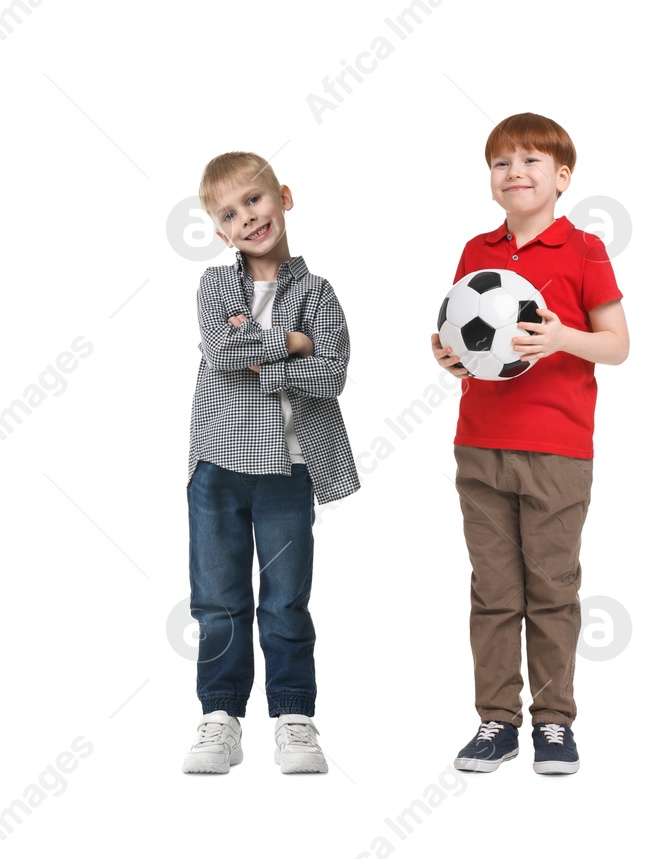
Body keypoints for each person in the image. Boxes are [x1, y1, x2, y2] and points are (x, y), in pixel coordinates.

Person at [431, 113, 629, 775]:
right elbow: (462, 337)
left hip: (557, 450)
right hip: (479, 443)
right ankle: (496, 719)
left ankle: (553, 723)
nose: (515, 172)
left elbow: (618, 344)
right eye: (501, 163)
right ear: (491, 181)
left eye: (531, 161)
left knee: (550, 587)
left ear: (562, 176)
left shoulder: (583, 251)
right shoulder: (476, 252)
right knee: (493, 590)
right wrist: (450, 357)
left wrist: (560, 338)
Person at [183, 151, 359, 774]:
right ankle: (221, 716)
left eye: (254, 201)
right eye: (230, 214)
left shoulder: (317, 291)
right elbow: (221, 350)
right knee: (218, 598)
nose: (247, 218)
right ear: (220, 230)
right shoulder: (214, 286)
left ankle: (293, 716)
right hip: (218, 466)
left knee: (285, 599)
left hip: (289, 470)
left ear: (283, 197)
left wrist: (262, 353)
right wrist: (290, 342)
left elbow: (331, 372)